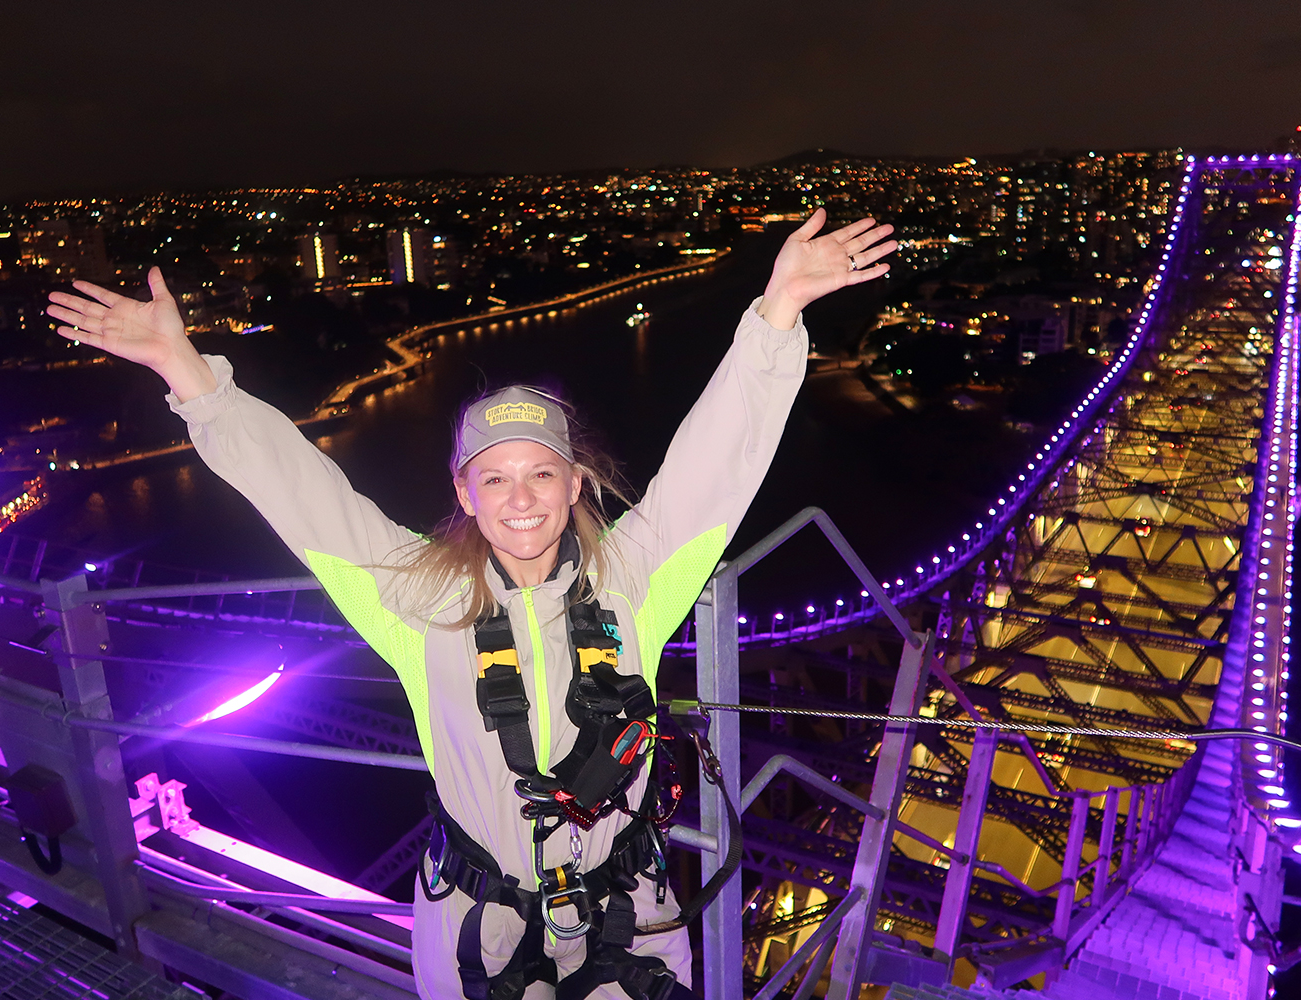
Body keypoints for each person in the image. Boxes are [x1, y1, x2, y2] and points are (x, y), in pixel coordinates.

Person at [47, 210, 897, 999]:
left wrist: (777, 314)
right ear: (464, 492)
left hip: (628, 917)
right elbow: (299, 489)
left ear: (575, 484)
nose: (520, 499)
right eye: (494, 478)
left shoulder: (633, 580)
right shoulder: (418, 596)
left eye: (541, 474)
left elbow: (714, 466)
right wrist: (187, 372)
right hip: (477, 927)